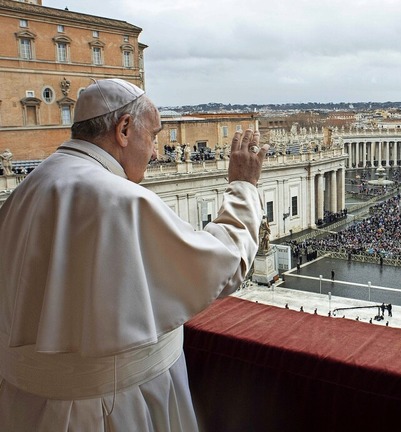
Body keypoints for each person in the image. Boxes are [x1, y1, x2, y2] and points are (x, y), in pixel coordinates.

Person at [0, 79, 269, 431]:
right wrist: (244, 187)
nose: (156, 152)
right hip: (114, 409)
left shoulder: (26, 190)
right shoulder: (121, 199)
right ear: (124, 128)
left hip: (25, 406)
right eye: (154, 135)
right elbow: (226, 265)